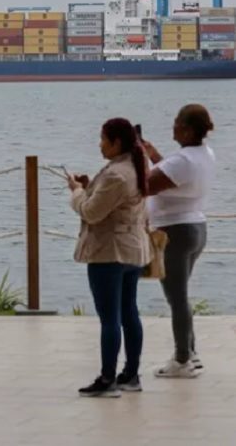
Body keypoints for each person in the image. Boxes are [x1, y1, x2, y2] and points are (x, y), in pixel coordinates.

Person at [67, 118, 150, 397]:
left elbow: (91, 212)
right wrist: (91, 187)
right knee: (129, 312)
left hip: (109, 252)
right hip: (132, 250)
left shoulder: (116, 174)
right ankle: (131, 374)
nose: (100, 144)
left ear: (116, 142)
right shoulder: (136, 166)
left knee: (110, 318)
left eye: (103, 139)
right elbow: (114, 201)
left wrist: (77, 192)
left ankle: (107, 378)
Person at [144, 104, 215, 378]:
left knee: (176, 297)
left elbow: (146, 186)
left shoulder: (182, 160)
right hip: (195, 227)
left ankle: (182, 358)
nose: (172, 126)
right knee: (180, 295)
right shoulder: (203, 153)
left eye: (176, 122)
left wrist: (136, 158)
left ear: (186, 129)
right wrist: (154, 157)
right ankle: (190, 352)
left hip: (174, 231)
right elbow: (176, 179)